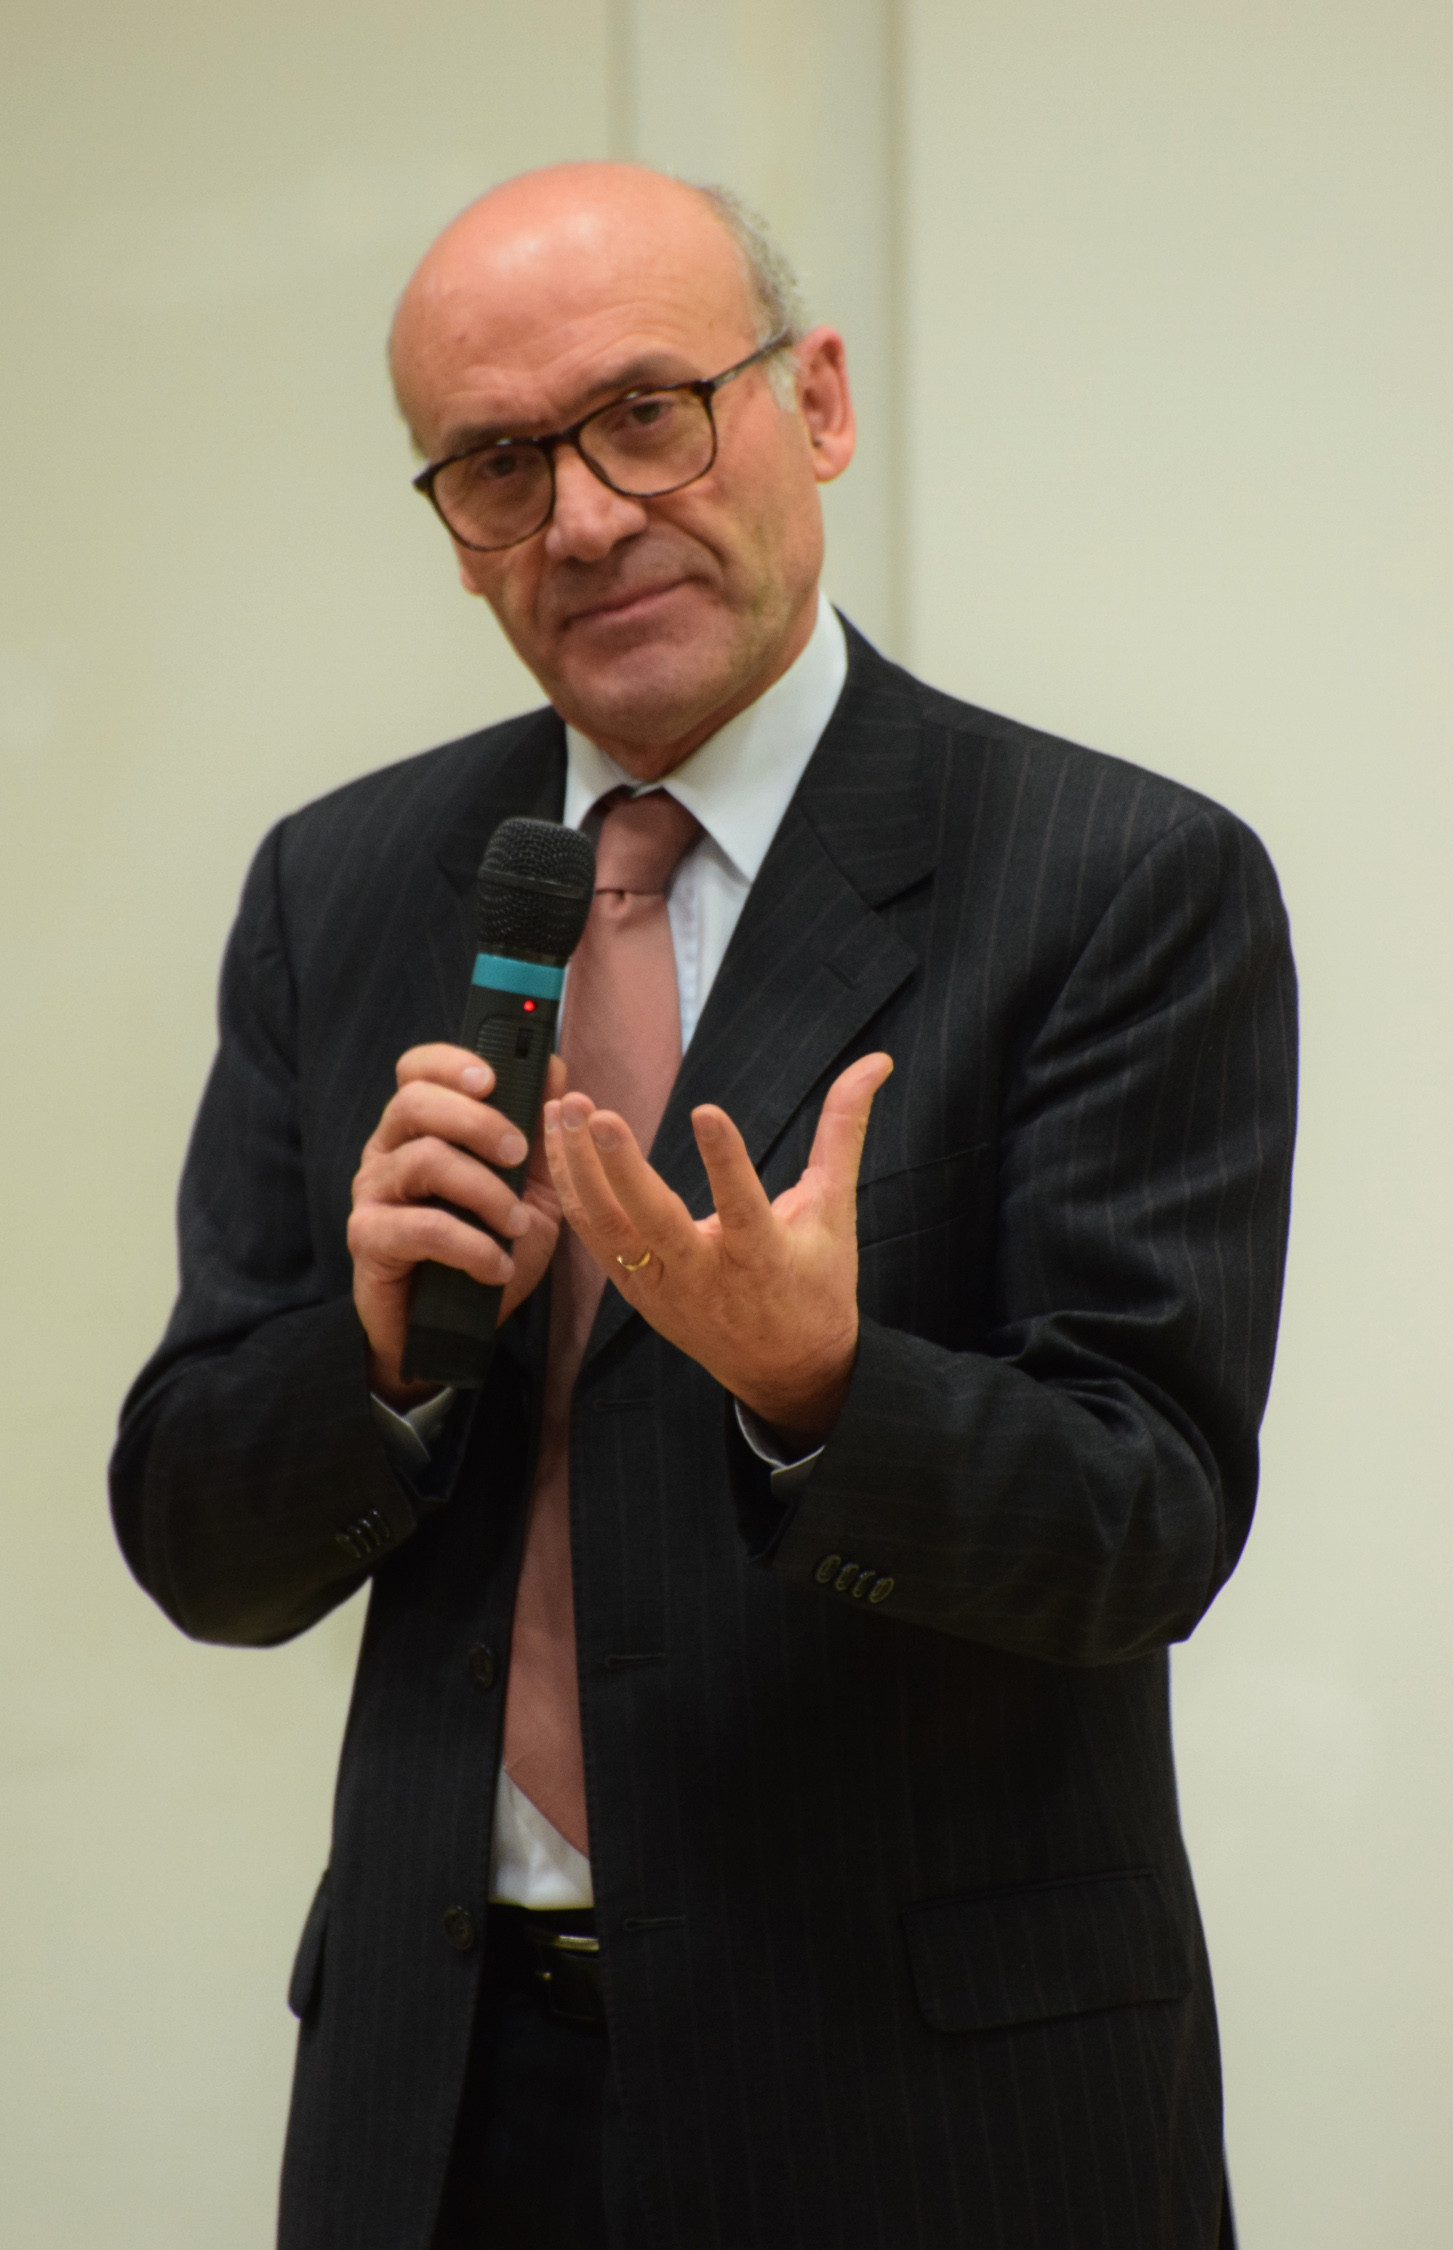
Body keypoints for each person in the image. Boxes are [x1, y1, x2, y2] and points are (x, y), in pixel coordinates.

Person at [110, 162, 1296, 2250]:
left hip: (933, 2112)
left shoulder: (1117, 878)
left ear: (813, 403)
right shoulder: (342, 885)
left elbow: (1149, 1523)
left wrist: (827, 1392)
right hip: (448, 2103)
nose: (581, 517)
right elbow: (199, 1537)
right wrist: (375, 1364)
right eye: (499, 463)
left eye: (646, 414)